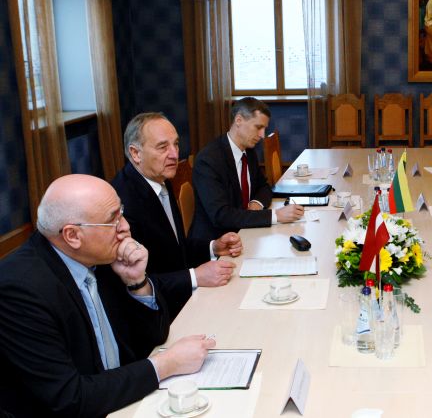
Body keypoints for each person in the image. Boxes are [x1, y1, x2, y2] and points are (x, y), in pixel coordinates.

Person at [0, 175, 216, 417]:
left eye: (121, 213)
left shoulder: (99, 257)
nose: (125, 227)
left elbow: (155, 335)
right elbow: (71, 398)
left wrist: (136, 282)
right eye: (113, 220)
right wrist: (166, 365)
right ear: (73, 235)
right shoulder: (20, 290)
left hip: (122, 399)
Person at [112, 112, 240, 320]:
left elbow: (173, 249)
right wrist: (195, 276)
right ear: (135, 153)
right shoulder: (123, 202)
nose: (174, 154)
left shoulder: (159, 181)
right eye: (163, 147)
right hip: (154, 316)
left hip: (180, 300)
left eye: (176, 144)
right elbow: (135, 281)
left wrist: (212, 247)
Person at [190, 97, 304, 241]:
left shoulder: (248, 152)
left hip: (246, 231)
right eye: (258, 127)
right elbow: (222, 216)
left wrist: (256, 203)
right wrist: (276, 215)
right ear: (238, 120)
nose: (262, 135)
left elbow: (264, 186)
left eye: (264, 129)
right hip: (219, 241)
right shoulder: (208, 160)